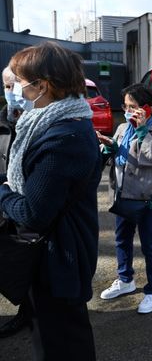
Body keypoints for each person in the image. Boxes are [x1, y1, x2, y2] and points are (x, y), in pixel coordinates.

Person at [0, 42, 103, 359]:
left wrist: (2, 191)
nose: (14, 89)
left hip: (59, 259)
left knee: (62, 343)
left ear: (42, 85)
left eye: (17, 81)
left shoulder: (63, 137)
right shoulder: (50, 122)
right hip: (50, 253)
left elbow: (32, 213)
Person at [97, 84, 152, 314]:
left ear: (147, 108)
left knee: (150, 245)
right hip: (124, 194)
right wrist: (111, 147)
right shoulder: (121, 127)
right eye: (126, 106)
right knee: (122, 239)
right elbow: (123, 152)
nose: (128, 111)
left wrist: (142, 131)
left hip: (148, 198)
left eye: (134, 107)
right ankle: (125, 279)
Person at [0, 66, 30, 339]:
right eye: (5, 87)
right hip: (3, 206)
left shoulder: (36, 122)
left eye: (14, 86)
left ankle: (28, 311)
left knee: (26, 263)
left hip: (24, 207)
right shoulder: (2, 122)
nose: (10, 93)